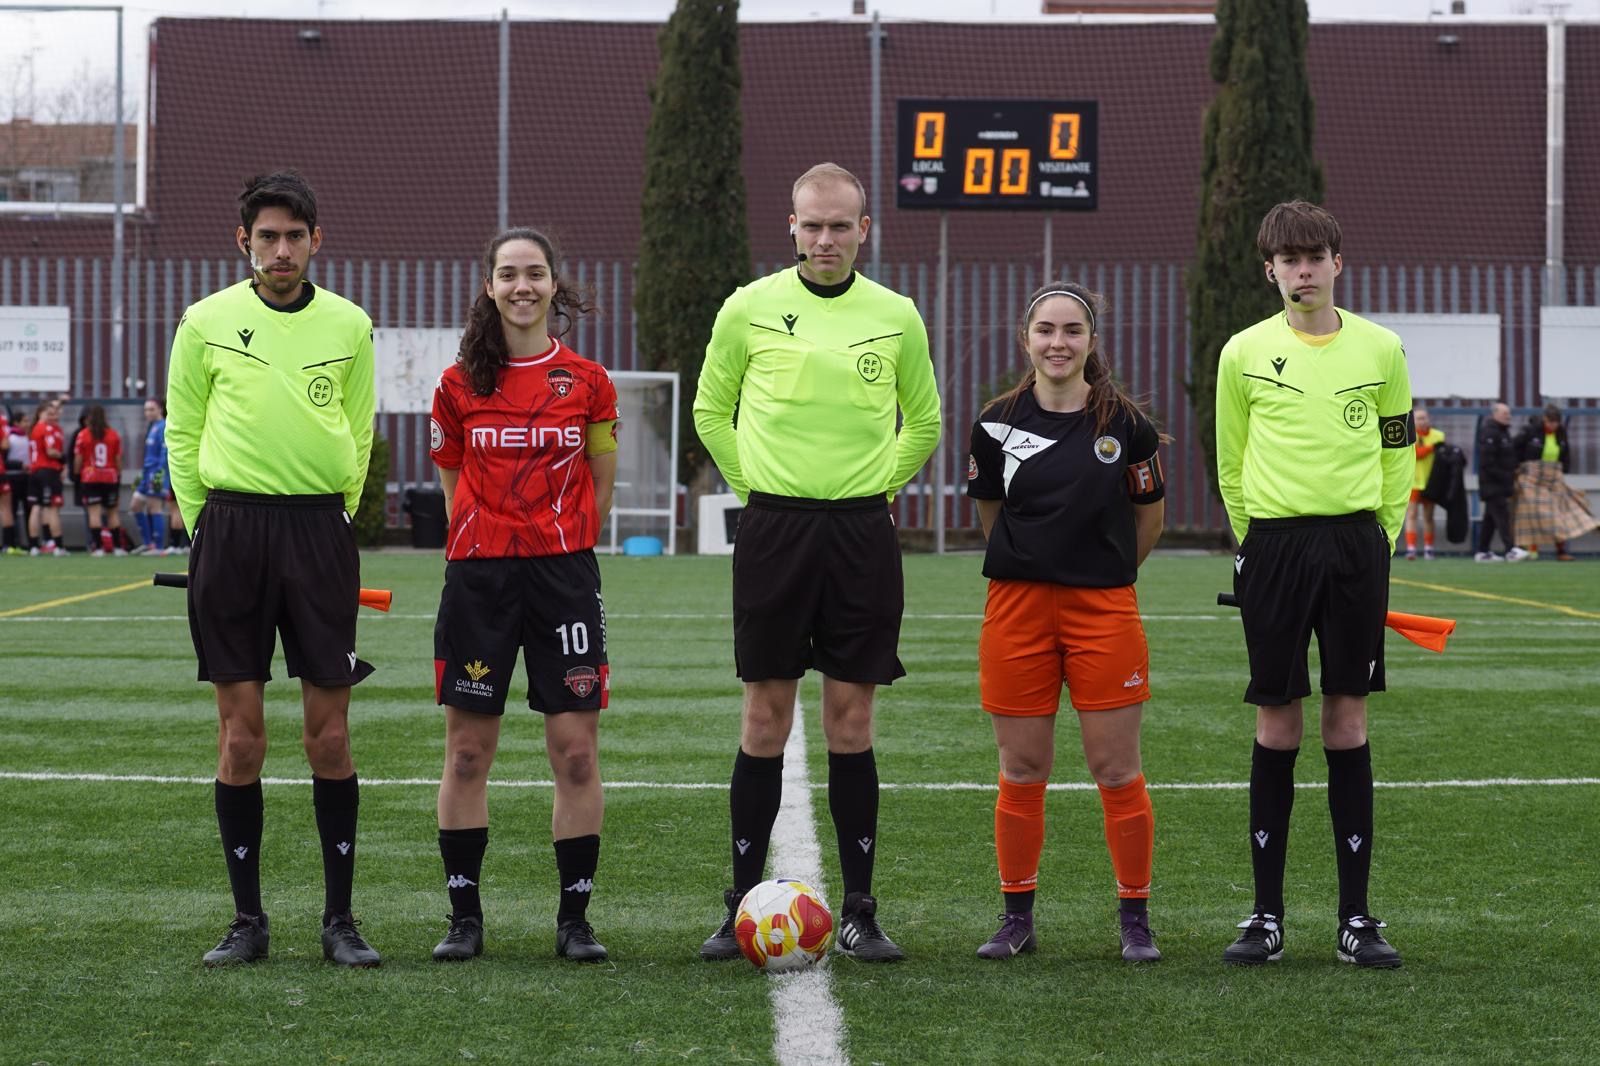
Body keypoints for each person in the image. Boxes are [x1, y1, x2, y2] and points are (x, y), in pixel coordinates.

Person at [692, 162, 941, 963]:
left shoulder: (896, 315)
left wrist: (878, 486)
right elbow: (710, 408)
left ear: (864, 230)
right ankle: (738, 905)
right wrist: (756, 489)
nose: (826, 238)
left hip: (862, 534)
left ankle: (863, 909)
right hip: (774, 531)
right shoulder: (750, 308)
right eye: (812, 225)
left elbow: (925, 421)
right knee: (765, 715)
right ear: (790, 227)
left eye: (841, 225)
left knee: (852, 720)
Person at [164, 171, 380, 968]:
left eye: (295, 236)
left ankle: (340, 921)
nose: (281, 249)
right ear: (244, 243)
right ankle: (247, 922)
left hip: (318, 530)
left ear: (316, 241)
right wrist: (203, 527)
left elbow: (358, 434)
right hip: (231, 531)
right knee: (242, 739)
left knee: (329, 737)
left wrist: (337, 518)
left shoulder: (351, 324)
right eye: (267, 237)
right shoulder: (205, 320)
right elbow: (183, 431)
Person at [1214, 200, 1411, 968]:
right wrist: (1252, 539)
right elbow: (1231, 459)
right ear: (1270, 270)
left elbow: (1397, 449)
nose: (1303, 270)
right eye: (1288, 259)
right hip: (1276, 547)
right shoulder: (1242, 353)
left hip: (1357, 545)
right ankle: (1266, 916)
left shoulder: (1383, 349)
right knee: (1276, 721)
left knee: (1348, 721)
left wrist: (1384, 534)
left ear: (1338, 262)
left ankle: (1356, 920)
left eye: (1314, 256)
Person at [428, 227, 618, 964]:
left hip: (563, 577)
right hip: (480, 579)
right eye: (508, 275)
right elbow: (453, 486)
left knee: (575, 753)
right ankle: (464, 919)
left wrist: (558, 537)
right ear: (490, 286)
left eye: (534, 274)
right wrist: (488, 541)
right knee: (469, 752)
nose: (522, 287)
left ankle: (574, 922)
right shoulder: (456, 385)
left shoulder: (589, 381)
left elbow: (599, 486)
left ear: (553, 284)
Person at [965, 282, 1167, 963]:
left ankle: (1135, 919)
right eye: (1046, 330)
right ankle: (1016, 916)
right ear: (1026, 339)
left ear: (1091, 340)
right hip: (1017, 609)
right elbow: (992, 514)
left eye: (1072, 330)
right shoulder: (994, 424)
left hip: (1103, 609)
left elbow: (1150, 518)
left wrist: (1103, 571)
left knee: (1116, 768)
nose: (1059, 342)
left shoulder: (1127, 425)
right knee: (1022, 768)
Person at [1513, 404, 1595, 561]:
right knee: (1534, 513)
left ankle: (1561, 550)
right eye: (1550, 422)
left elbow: (1565, 453)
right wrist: (1518, 467)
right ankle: (1531, 549)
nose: (1553, 425)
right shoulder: (1530, 431)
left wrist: (1563, 470)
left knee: (1558, 514)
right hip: (1532, 478)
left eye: (1556, 422)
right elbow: (1515, 448)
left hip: (1553, 478)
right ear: (1544, 419)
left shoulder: (1561, 433)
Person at [1473, 403, 1525, 563]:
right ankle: (1510, 549)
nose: (1508, 416)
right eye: (1504, 413)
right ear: (1494, 414)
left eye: (1509, 413)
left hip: (1502, 483)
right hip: (1492, 484)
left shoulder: (1504, 432)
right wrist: (1504, 476)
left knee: (1490, 519)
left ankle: (1482, 551)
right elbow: (1487, 462)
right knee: (1502, 516)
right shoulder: (1489, 432)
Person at [74, 405, 126, 555]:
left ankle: (97, 548)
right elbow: (118, 459)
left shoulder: (83, 434)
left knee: (94, 514)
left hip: (90, 476)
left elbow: (78, 458)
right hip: (110, 476)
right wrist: (118, 475)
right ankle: (117, 548)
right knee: (112, 513)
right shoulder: (113, 434)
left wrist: (77, 475)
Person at [26, 399, 67, 555]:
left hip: (35, 471)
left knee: (36, 508)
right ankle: (58, 546)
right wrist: (63, 458)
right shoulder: (47, 428)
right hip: (48, 471)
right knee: (52, 509)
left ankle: (33, 546)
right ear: (41, 413)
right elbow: (50, 451)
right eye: (49, 413)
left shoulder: (34, 429)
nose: (52, 416)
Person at [1404, 407, 1444, 560]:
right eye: (1419, 418)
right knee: (1412, 514)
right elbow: (1416, 453)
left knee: (1429, 516)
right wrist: (1431, 448)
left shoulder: (1438, 435)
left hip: (1430, 482)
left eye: (1424, 418)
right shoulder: (1409, 435)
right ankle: (1411, 548)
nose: (1422, 421)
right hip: (1413, 481)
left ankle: (1428, 548)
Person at [131, 399, 169, 553]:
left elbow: (165, 452)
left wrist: (159, 474)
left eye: (151, 409)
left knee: (155, 507)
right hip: (146, 472)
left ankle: (158, 546)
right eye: (146, 410)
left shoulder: (164, 426)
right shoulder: (152, 427)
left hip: (156, 473)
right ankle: (148, 543)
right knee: (135, 505)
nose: (148, 413)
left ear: (160, 409)